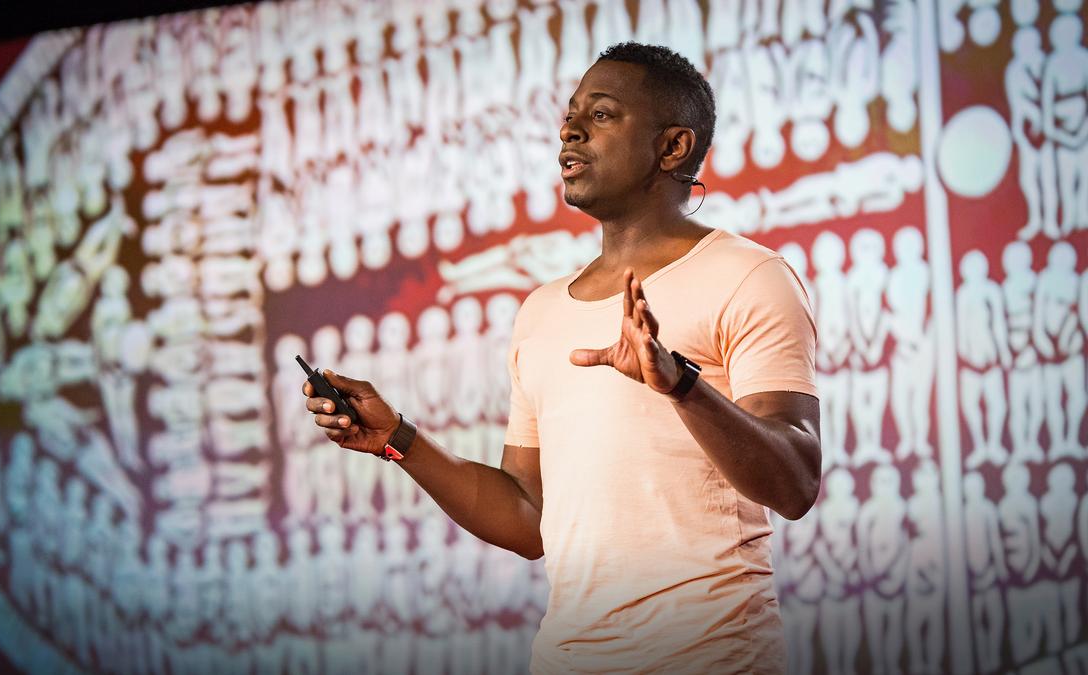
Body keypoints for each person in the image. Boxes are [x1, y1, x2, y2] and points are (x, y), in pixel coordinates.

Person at [303, 42, 820, 674]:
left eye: (601, 115)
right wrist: (397, 439)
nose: (568, 130)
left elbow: (794, 483)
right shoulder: (542, 311)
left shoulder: (749, 276)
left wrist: (680, 385)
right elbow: (528, 516)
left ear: (673, 147)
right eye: (570, 114)